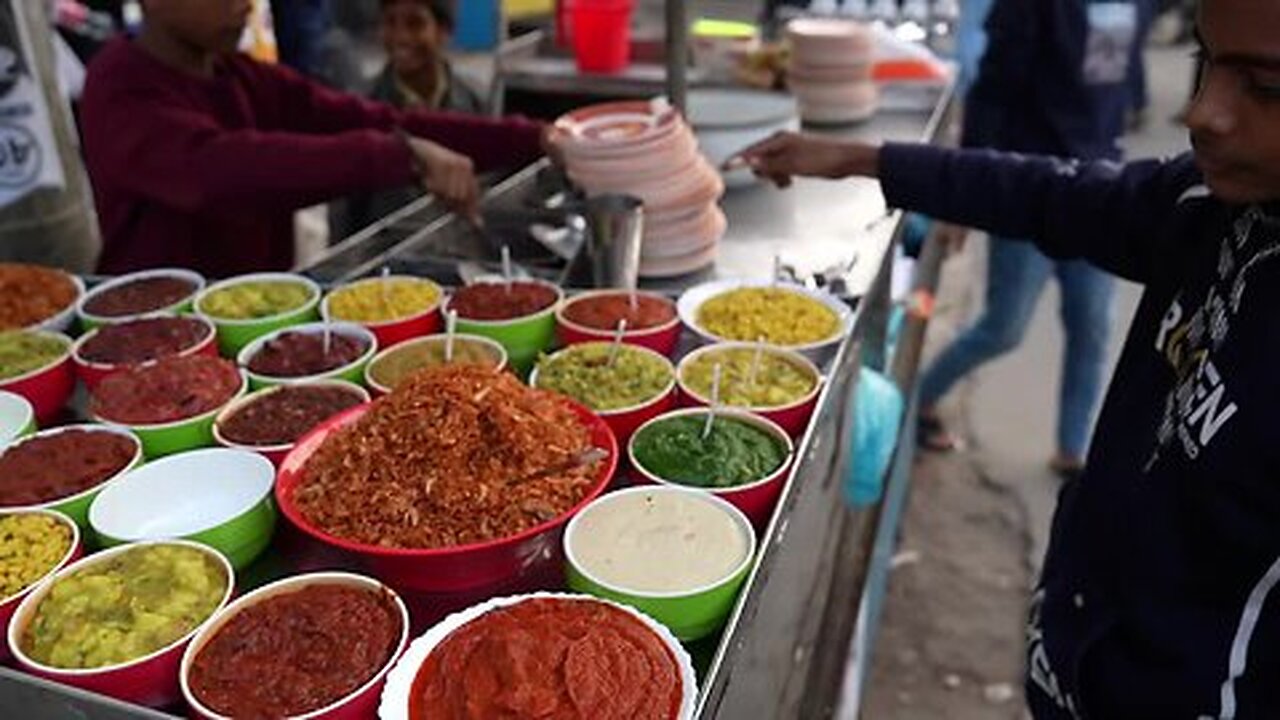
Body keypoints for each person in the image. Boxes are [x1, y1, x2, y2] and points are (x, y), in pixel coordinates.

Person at [731, 0, 1280, 714]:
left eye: (1266, 87)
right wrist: (865, 159)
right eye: (1204, 63)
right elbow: (1058, 192)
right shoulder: (1206, 205)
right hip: (1078, 665)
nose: (1203, 113)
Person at [79, 0, 546, 277]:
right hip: (150, 336)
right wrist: (400, 155)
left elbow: (372, 118)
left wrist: (538, 137)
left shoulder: (242, 76)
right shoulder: (119, 87)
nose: (245, 3)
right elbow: (219, 169)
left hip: (253, 317)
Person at [914, 0, 1142, 480]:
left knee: (1093, 326)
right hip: (1032, 191)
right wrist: (965, 198)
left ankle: (1073, 450)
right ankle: (921, 397)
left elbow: (1126, 77)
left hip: (1103, 186)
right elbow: (991, 95)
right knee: (1004, 327)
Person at [331, 0, 486, 240]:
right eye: (390, 23)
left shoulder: (477, 101)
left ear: (444, 31)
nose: (400, 37)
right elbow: (344, 217)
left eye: (415, 24)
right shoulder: (361, 108)